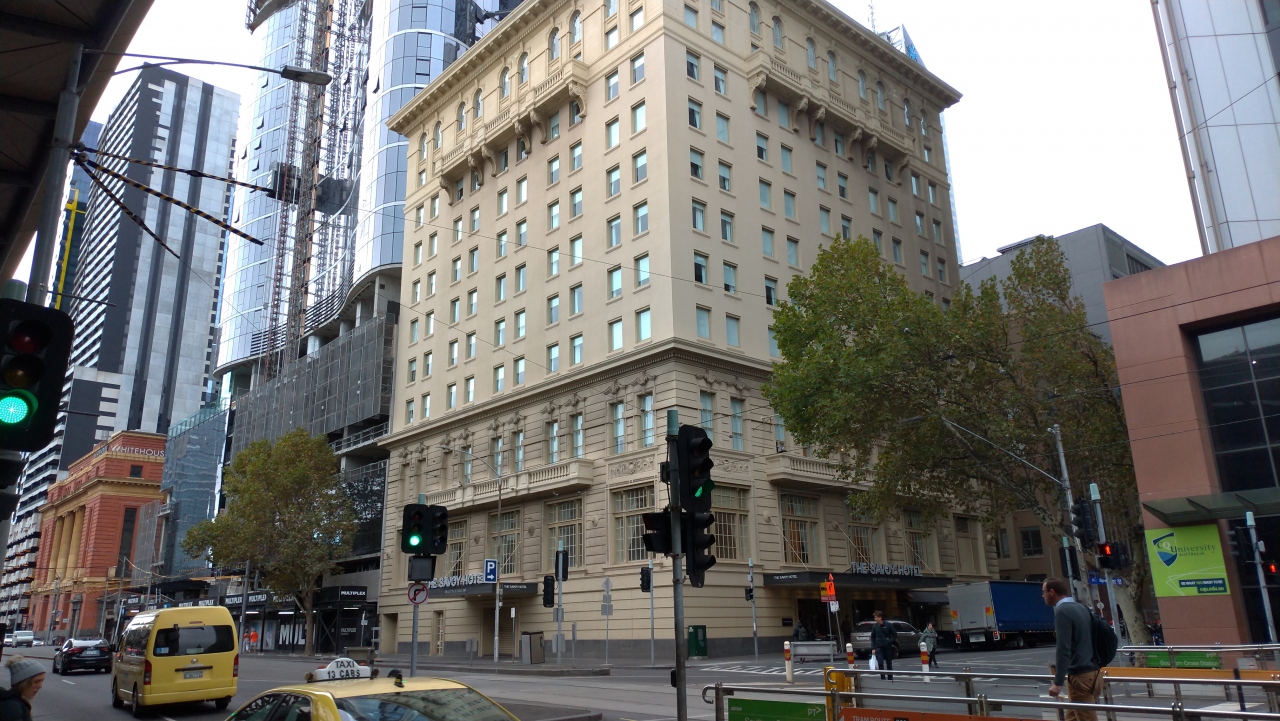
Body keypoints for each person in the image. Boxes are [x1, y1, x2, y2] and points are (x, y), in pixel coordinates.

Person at [1042, 577, 1100, 721]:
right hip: (1094, 673)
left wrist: (1058, 682)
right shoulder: (1081, 608)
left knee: (1087, 719)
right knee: (1072, 718)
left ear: (1051, 592)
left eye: (1044, 592)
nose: (1043, 596)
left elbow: (1063, 649)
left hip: (1080, 676)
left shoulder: (1062, 611)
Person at [0, 655, 45, 721]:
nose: (40, 686)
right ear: (23, 683)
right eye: (36, 682)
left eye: (42, 681)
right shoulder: (13, 708)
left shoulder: (18, 703)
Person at [870, 611, 897, 680]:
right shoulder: (875, 626)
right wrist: (873, 648)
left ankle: (890, 677)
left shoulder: (888, 625)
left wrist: (889, 641)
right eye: (874, 617)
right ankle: (882, 677)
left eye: (876, 617)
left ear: (880, 617)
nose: (875, 619)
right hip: (878, 647)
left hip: (887, 647)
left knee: (889, 662)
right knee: (880, 662)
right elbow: (873, 637)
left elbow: (894, 634)